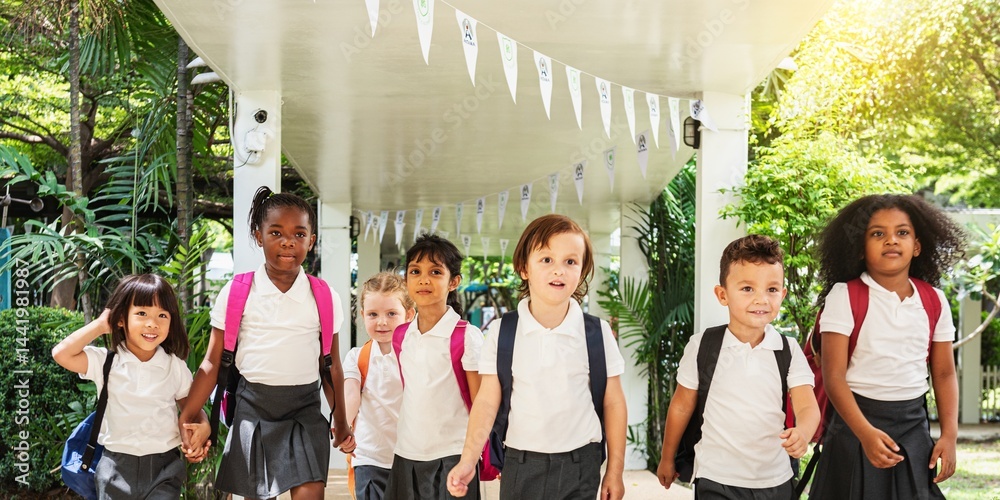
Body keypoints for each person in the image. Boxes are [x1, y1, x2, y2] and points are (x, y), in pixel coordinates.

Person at [179, 186, 355, 500]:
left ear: (311, 241)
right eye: (276, 232)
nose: (288, 241)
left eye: (299, 234)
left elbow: (331, 366)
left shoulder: (324, 296)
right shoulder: (237, 292)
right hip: (252, 411)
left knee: (311, 491)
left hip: (304, 411)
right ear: (259, 236)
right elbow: (212, 363)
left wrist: (340, 421)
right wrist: (188, 415)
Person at [446, 214, 628, 500]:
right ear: (523, 268)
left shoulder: (596, 332)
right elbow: (486, 400)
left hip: (581, 463)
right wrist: (469, 459)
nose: (559, 271)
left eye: (571, 261)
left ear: (581, 271)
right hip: (520, 462)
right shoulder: (502, 331)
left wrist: (615, 471)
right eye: (546, 260)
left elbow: (614, 402)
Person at [808, 194, 963, 499]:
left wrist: (949, 435)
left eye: (902, 232)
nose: (891, 240)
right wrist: (864, 433)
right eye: (877, 233)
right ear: (860, 248)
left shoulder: (934, 301)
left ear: (916, 246)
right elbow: (834, 376)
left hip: (913, 427)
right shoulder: (845, 296)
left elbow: (944, 374)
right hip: (855, 424)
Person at [656, 234, 820, 498]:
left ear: (783, 294)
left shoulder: (788, 351)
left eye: (772, 289)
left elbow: (807, 406)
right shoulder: (702, 347)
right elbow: (681, 405)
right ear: (723, 294)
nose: (761, 299)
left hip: (775, 479)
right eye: (747, 289)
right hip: (716, 477)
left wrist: (803, 432)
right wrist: (667, 457)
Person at [52, 274, 210, 499]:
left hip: (164, 468)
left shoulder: (174, 366)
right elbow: (61, 353)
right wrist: (99, 325)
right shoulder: (105, 362)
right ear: (120, 319)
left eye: (162, 315)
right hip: (115, 467)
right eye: (141, 313)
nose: (152, 323)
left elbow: (191, 408)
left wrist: (203, 426)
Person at [385, 234, 485, 500]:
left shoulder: (466, 336)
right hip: (407, 454)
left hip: (453, 456)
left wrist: (472, 456)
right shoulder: (401, 335)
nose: (424, 279)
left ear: (453, 282)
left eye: (436, 272)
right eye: (415, 271)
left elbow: (481, 404)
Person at [342, 271, 415, 499]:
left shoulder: (416, 354)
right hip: (369, 458)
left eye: (391, 313)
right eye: (373, 314)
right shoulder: (356, 357)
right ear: (362, 315)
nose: (382, 321)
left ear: (409, 315)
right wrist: (342, 426)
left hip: (411, 458)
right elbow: (351, 395)